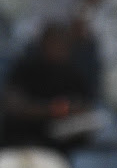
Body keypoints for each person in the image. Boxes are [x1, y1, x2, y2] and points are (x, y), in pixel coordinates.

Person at [0, 22, 97, 155]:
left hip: (60, 148)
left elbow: (84, 109)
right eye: (54, 43)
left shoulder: (74, 75)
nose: (59, 49)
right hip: (20, 144)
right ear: (43, 44)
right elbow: (16, 107)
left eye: (64, 44)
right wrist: (59, 109)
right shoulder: (24, 69)